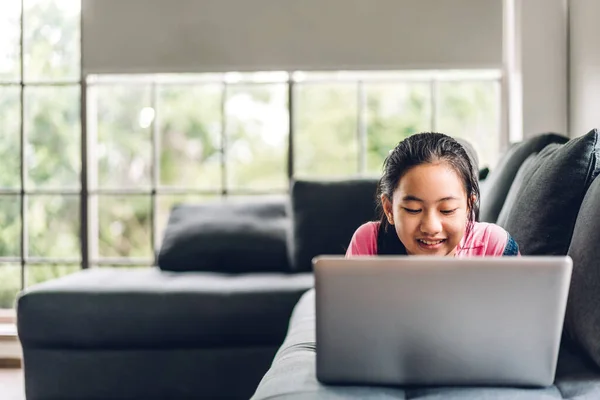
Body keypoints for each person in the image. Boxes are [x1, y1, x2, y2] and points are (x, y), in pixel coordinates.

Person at [346, 132, 519, 257]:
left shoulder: (493, 247)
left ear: (468, 206)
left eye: (447, 210)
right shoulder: (370, 242)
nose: (431, 227)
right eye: (413, 209)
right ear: (389, 209)